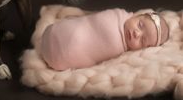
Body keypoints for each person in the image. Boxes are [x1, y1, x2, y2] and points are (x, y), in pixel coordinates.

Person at [40, 8, 169, 71]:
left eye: (142, 40)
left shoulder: (123, 55)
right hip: (56, 32)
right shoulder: (120, 14)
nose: (136, 33)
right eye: (140, 25)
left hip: (61, 58)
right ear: (137, 15)